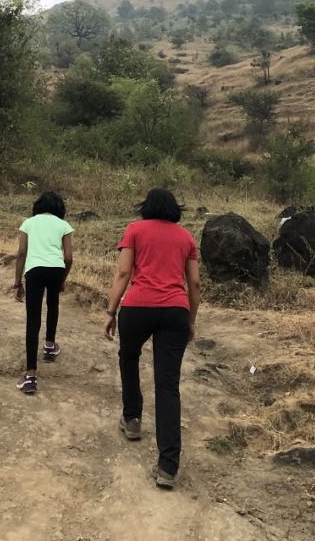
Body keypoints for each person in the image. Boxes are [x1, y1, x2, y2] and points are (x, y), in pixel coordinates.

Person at [104, 188, 201, 490]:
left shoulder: (134, 230)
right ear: (175, 209)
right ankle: (168, 467)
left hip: (137, 307)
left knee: (129, 357)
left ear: (146, 207)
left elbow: (123, 273)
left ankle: (132, 420)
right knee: (168, 385)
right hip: (174, 311)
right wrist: (191, 320)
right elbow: (194, 282)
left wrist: (110, 310)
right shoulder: (185, 237)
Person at [14, 191, 73, 395]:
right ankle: (49, 346)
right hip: (56, 268)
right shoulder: (63, 225)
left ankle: (30, 376)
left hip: (34, 270)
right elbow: (68, 257)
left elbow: (21, 253)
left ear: (37, 206)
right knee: (53, 304)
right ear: (59, 208)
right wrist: (62, 280)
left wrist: (17, 282)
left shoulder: (28, 223)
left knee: (33, 319)